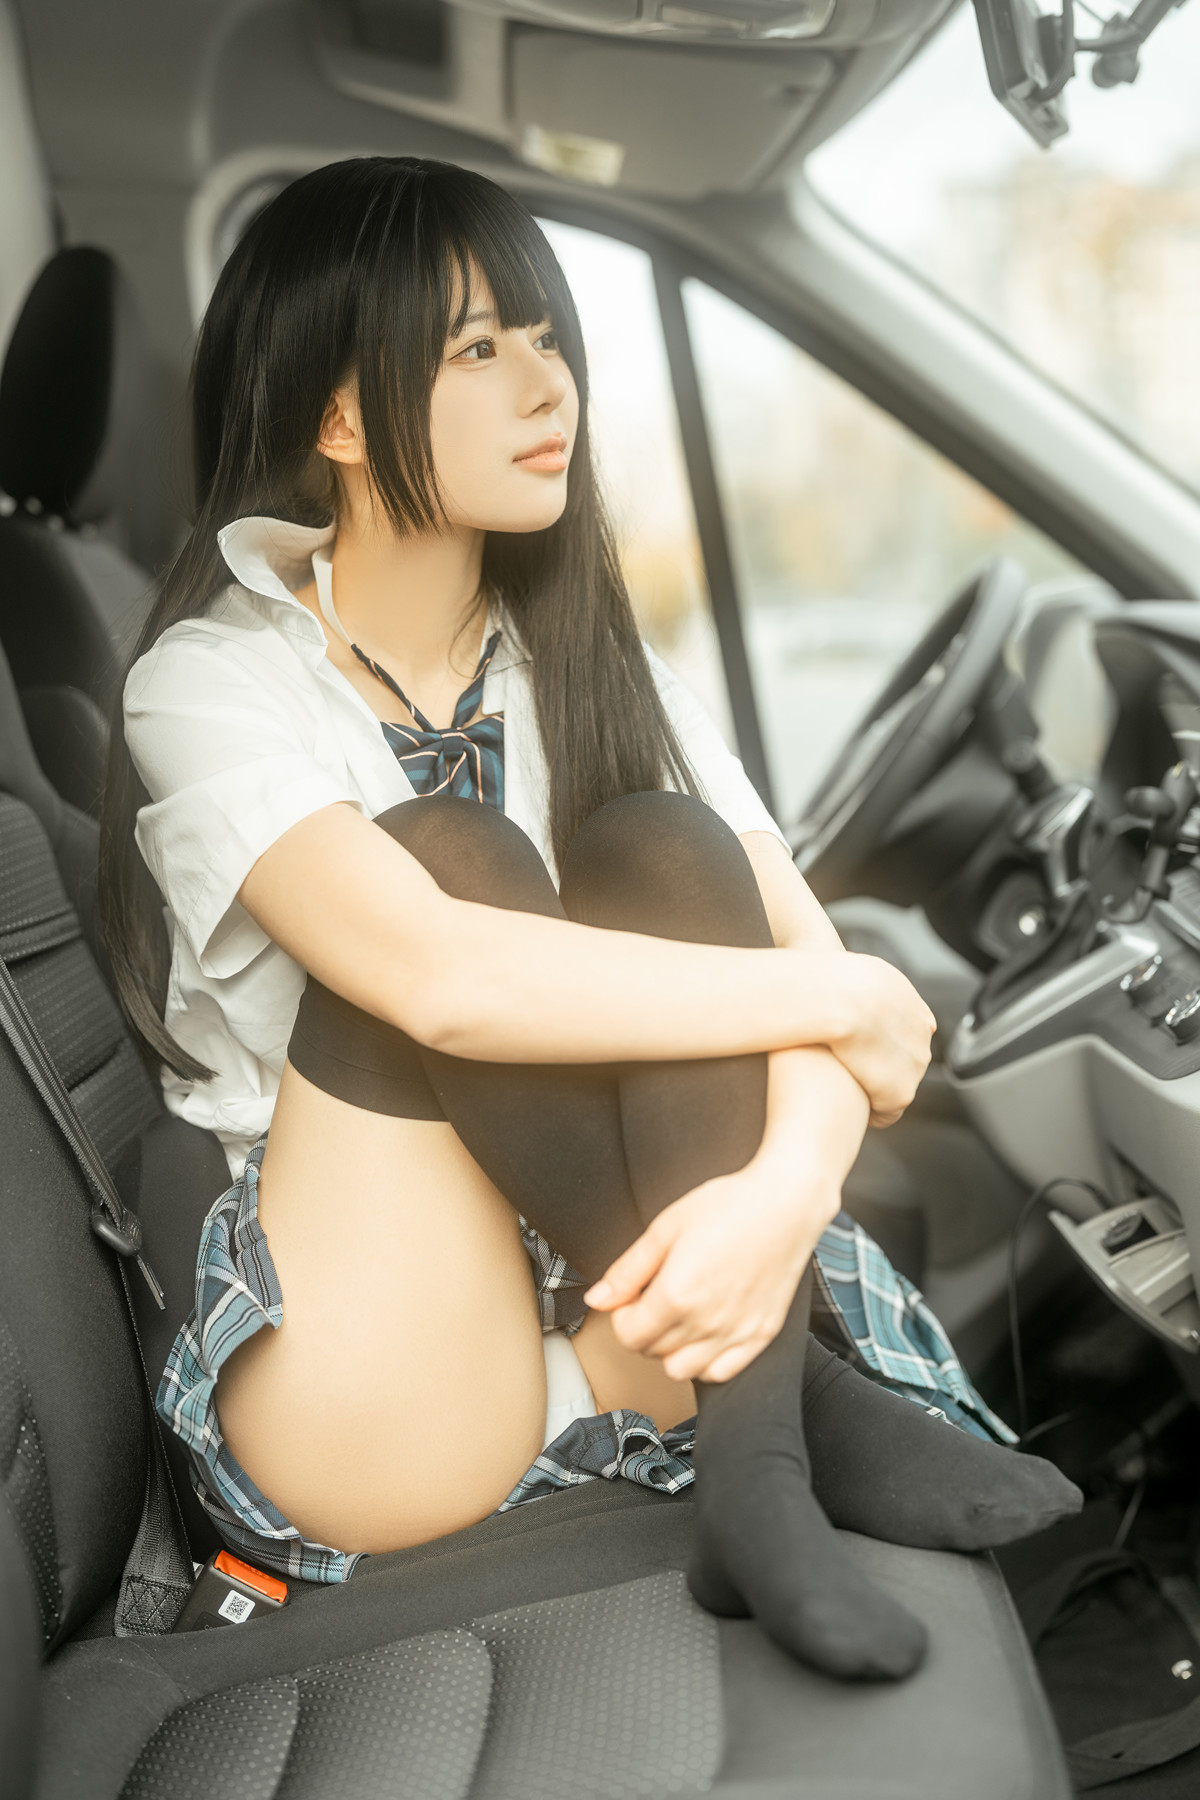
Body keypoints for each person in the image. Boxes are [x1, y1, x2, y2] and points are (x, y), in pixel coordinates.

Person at [99, 155, 1079, 1684]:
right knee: (450, 860)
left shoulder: (600, 664)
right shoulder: (207, 680)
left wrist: (781, 1204)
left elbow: (807, 973)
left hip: (627, 1316)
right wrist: (849, 1004)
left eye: (549, 337)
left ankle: (756, 1466)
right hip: (374, 1377)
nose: (547, 383)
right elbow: (447, 982)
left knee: (660, 848)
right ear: (340, 420)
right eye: (478, 348)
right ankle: (793, 1417)